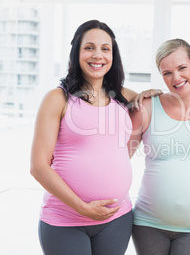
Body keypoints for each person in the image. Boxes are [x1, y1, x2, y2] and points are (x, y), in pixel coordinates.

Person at [30, 20, 161, 255]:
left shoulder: (121, 96)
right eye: (89, 47)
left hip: (117, 219)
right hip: (66, 221)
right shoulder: (57, 99)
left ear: (113, 55)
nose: (97, 55)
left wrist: (150, 94)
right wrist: (82, 207)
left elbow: (153, 101)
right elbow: (39, 167)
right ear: (77, 53)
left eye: (105, 49)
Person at [129, 38, 190, 255]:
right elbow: (120, 159)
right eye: (167, 73)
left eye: (182, 68)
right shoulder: (146, 107)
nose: (176, 78)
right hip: (148, 224)